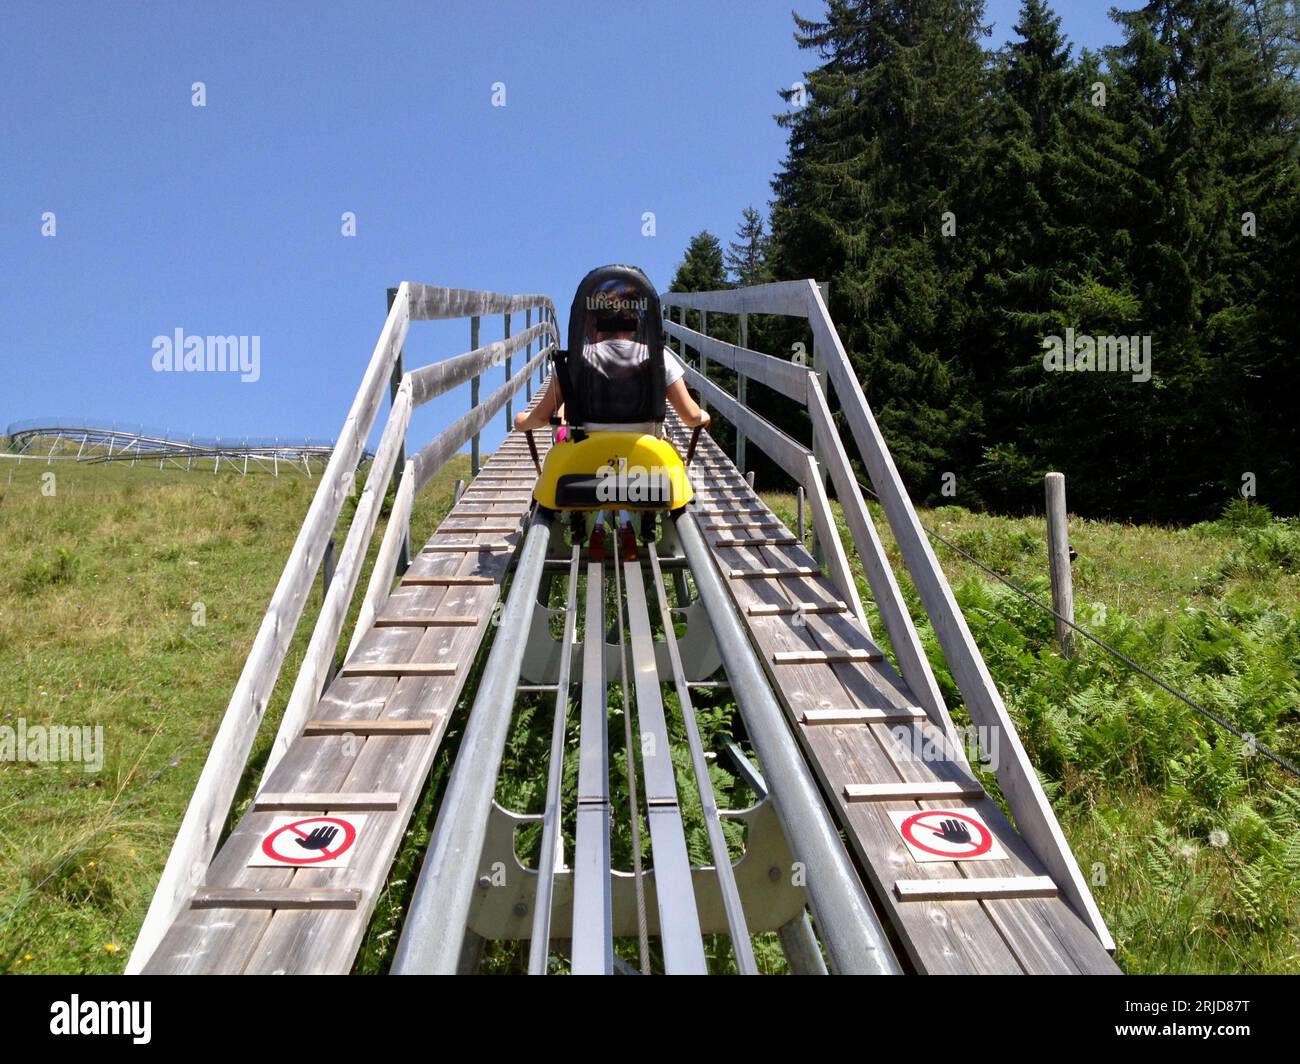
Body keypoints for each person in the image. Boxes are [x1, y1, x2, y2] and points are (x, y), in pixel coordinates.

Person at [513, 286, 710, 434]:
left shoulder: (571, 361)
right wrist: (703, 415)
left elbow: (540, 417)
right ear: (635, 323)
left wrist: (522, 421)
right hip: (644, 455)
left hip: (584, 454)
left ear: (592, 322)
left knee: (563, 420)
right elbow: (691, 416)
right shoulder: (659, 357)